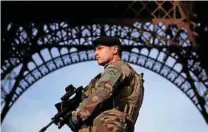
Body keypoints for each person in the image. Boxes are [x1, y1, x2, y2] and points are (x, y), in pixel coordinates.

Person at [68, 36, 145, 132]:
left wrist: (77, 115)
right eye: (95, 50)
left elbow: (102, 92)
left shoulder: (116, 67)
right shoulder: (129, 71)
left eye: (100, 48)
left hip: (108, 125)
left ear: (115, 49)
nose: (95, 53)